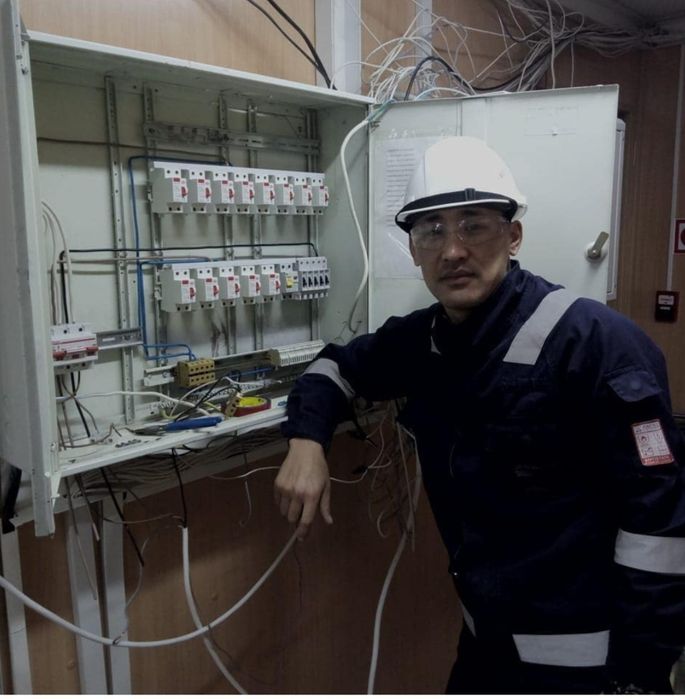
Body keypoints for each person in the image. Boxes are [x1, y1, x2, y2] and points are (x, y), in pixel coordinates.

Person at [274, 136, 685, 694]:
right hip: (485, 650)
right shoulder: (425, 340)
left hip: (593, 666)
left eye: (473, 226)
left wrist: (642, 673)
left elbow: (658, 527)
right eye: (431, 231)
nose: (452, 250)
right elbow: (335, 368)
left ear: (513, 236)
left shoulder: (595, 343)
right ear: (413, 250)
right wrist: (306, 440)